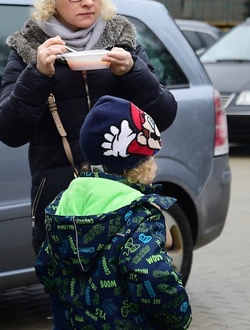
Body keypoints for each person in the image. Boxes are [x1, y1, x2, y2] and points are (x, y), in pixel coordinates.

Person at [0, 0, 178, 255]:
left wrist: (132, 71)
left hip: (125, 201)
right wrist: (38, 74)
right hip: (64, 208)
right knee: (70, 303)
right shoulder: (29, 47)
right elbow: (8, 130)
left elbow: (164, 114)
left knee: (129, 299)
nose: (88, 1)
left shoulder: (122, 39)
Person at [35, 95, 192, 329]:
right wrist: (179, 317)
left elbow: (46, 267)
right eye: (151, 157)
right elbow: (152, 276)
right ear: (142, 165)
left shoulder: (65, 203)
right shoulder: (139, 214)